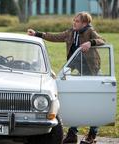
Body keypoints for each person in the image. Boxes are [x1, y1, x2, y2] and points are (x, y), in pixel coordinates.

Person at [27, 11, 105, 144]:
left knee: (93, 104)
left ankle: (91, 135)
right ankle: (72, 134)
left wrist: (90, 43)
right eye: (74, 20)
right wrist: (37, 34)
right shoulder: (71, 32)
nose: (74, 23)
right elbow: (55, 37)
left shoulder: (90, 31)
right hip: (76, 68)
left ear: (85, 23)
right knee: (72, 98)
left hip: (92, 71)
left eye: (77, 21)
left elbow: (102, 40)